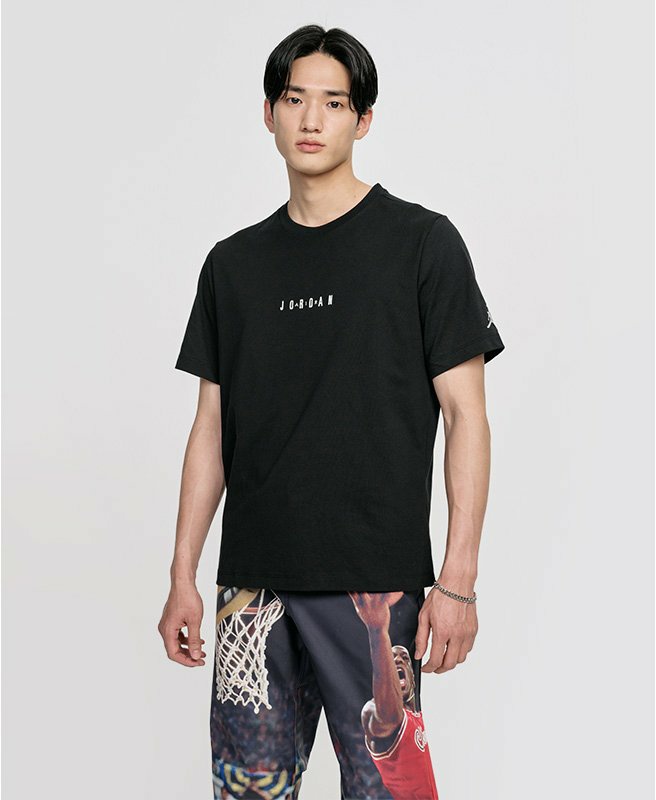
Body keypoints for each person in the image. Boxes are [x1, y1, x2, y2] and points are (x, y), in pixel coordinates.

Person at [158, 23, 505, 800]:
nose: (311, 119)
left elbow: (467, 415)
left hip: (374, 587)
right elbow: (210, 428)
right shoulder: (232, 265)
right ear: (269, 113)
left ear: (363, 119)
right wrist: (183, 574)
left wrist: (458, 578)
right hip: (253, 589)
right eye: (294, 100)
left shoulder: (422, 244)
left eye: (334, 102)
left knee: (390, 789)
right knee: (247, 791)